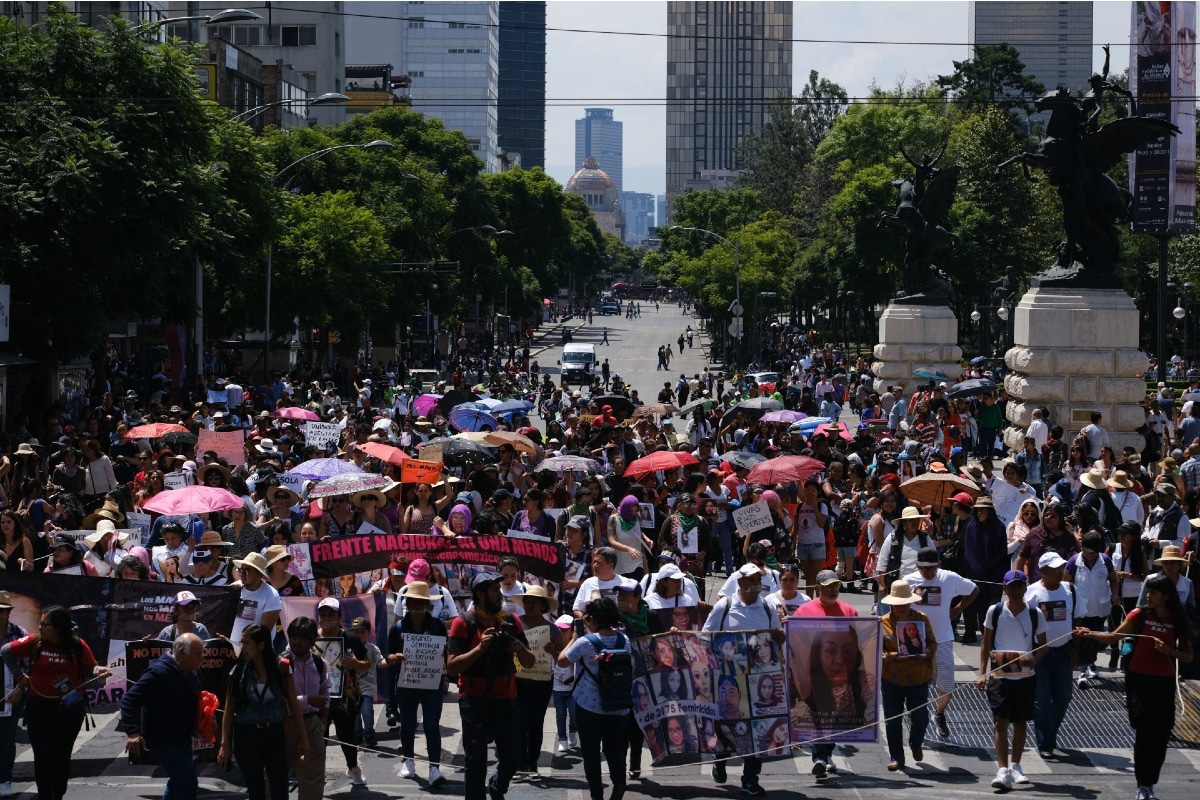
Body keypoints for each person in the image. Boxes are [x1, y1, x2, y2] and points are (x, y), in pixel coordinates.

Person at [1075, 574, 1194, 800]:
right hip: (1139, 679)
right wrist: (1089, 633)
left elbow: (1188, 656)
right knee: (1144, 731)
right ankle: (1143, 785)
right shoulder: (1138, 615)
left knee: (1161, 734)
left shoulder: (1177, 620)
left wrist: (1168, 651)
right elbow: (1113, 637)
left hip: (1164, 682)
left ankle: (1150, 782)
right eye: (1148, 591)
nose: (1148, 595)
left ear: (1166, 597)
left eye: (1154, 593)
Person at [448, 571, 536, 800]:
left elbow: (530, 661)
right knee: (475, 761)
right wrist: (480, 648)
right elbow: (452, 667)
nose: (500, 594)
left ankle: (497, 786)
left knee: (514, 757)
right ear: (480, 594)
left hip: (506, 698)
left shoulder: (510, 621)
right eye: (494, 591)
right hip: (474, 700)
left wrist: (516, 645)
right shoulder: (463, 623)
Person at [703, 564, 785, 796]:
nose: (757, 585)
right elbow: (706, 638)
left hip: (760, 682)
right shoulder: (725, 606)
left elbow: (777, 638)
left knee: (757, 731)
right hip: (729, 681)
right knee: (728, 727)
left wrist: (780, 638)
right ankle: (720, 760)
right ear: (740, 583)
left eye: (759, 580)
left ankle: (750, 778)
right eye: (752, 580)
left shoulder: (768, 606)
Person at [216, 623, 308, 800]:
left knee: (280, 788)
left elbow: (294, 704)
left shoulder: (282, 668)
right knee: (255, 790)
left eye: (247, 643)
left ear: (261, 645)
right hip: (246, 735)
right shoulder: (239, 671)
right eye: (242, 642)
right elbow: (229, 709)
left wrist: (303, 737)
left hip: (274, 734)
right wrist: (225, 744)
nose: (243, 647)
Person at [978, 570, 1047, 792]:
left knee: (1020, 722)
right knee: (1000, 721)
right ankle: (1002, 769)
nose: (1016, 591)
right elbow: (986, 643)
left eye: (1020, 586)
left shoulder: (1035, 613)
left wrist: (1032, 662)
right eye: (1012, 586)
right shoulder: (995, 611)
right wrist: (982, 672)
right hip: (1000, 675)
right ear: (1004, 588)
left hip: (1025, 677)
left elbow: (1044, 646)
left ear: (1025, 588)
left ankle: (1016, 765)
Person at [557, 596, 631, 800]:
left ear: (594, 618)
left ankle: (597, 794)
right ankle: (619, 782)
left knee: (590, 752)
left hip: (589, 707)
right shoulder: (623, 640)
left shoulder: (584, 642)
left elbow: (562, 661)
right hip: (619, 705)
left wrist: (573, 637)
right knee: (615, 749)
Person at [902, 547, 978, 738]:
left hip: (942, 637)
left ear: (939, 565)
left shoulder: (949, 577)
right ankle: (916, 714)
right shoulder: (908, 581)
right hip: (915, 638)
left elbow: (974, 589)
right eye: (923, 568)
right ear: (917, 565)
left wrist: (958, 609)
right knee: (914, 680)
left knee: (946, 681)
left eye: (931, 568)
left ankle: (940, 713)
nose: (927, 572)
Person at [792, 568, 857, 781]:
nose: (833, 590)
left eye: (836, 586)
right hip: (813, 676)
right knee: (818, 717)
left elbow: (857, 640)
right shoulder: (804, 611)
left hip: (839, 676)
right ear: (818, 587)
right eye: (828, 586)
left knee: (834, 720)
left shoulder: (849, 611)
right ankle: (819, 757)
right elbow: (796, 640)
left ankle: (826, 753)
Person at [121, 633, 204, 800]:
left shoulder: (192, 672)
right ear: (181, 652)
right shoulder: (159, 673)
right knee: (187, 782)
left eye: (203, 653)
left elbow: (195, 699)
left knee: (177, 781)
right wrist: (133, 732)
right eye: (198, 653)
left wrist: (207, 719)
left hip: (183, 737)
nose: (202, 658)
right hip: (163, 740)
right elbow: (128, 700)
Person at [385, 580, 449, 787]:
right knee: (408, 723)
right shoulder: (397, 628)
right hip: (406, 683)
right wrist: (394, 657)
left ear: (428, 605)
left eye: (421, 602)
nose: (417, 606)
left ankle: (434, 768)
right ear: (407, 604)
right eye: (413, 602)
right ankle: (409, 761)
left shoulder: (437, 626)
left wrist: (445, 674)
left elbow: (445, 653)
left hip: (432, 683)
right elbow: (388, 655)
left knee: (431, 725)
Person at [1024, 552, 1079, 760]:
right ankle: (1044, 742)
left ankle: (1050, 732)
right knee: (1041, 700)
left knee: (1064, 697)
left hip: (1064, 651)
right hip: (1041, 653)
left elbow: (1078, 618)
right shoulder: (1031, 593)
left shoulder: (1071, 590)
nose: (1060, 572)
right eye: (1055, 568)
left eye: (1061, 567)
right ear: (1044, 571)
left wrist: (1076, 648)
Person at [880, 580, 936, 771]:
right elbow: (876, 653)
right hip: (892, 679)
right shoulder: (883, 622)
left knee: (921, 717)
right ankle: (897, 756)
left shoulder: (922, 619)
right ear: (891, 603)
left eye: (905, 602)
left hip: (919, 678)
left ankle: (916, 742)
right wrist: (894, 656)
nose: (901, 607)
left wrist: (927, 652)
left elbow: (932, 643)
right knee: (892, 719)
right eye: (898, 603)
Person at [315, 597, 371, 787]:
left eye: (332, 614)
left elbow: (367, 664)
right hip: (320, 698)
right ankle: (318, 773)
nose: (327, 618)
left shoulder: (350, 637)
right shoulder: (313, 639)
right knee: (319, 735)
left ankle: (354, 769)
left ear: (339, 616)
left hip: (346, 699)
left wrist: (356, 664)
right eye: (324, 614)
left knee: (346, 736)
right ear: (319, 617)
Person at [514, 585, 562, 775]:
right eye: (528, 601)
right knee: (519, 721)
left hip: (542, 682)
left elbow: (563, 659)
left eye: (535, 602)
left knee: (536, 722)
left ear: (543, 605)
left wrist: (553, 651)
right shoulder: (515, 624)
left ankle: (532, 762)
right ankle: (520, 760)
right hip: (518, 680)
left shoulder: (552, 629)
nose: (531, 605)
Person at [279, 616, 329, 800]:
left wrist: (321, 722)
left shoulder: (319, 663)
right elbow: (280, 700)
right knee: (275, 777)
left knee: (313, 781)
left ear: (312, 640)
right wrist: (307, 700)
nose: (297, 642)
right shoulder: (281, 663)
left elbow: (325, 693)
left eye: (302, 638)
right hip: (284, 725)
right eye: (293, 637)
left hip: (311, 724)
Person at [0, 592, 25, 798]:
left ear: (7, 612)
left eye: (2, 611)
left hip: (12, 694)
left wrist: (19, 689)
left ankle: (5, 779)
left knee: (6, 739)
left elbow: (29, 667)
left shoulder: (19, 633)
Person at [231, 552, 281, 643]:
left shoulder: (271, 595)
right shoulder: (235, 590)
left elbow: (263, 632)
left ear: (258, 573)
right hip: (231, 648)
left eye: (246, 571)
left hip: (256, 650)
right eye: (240, 570)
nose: (242, 574)